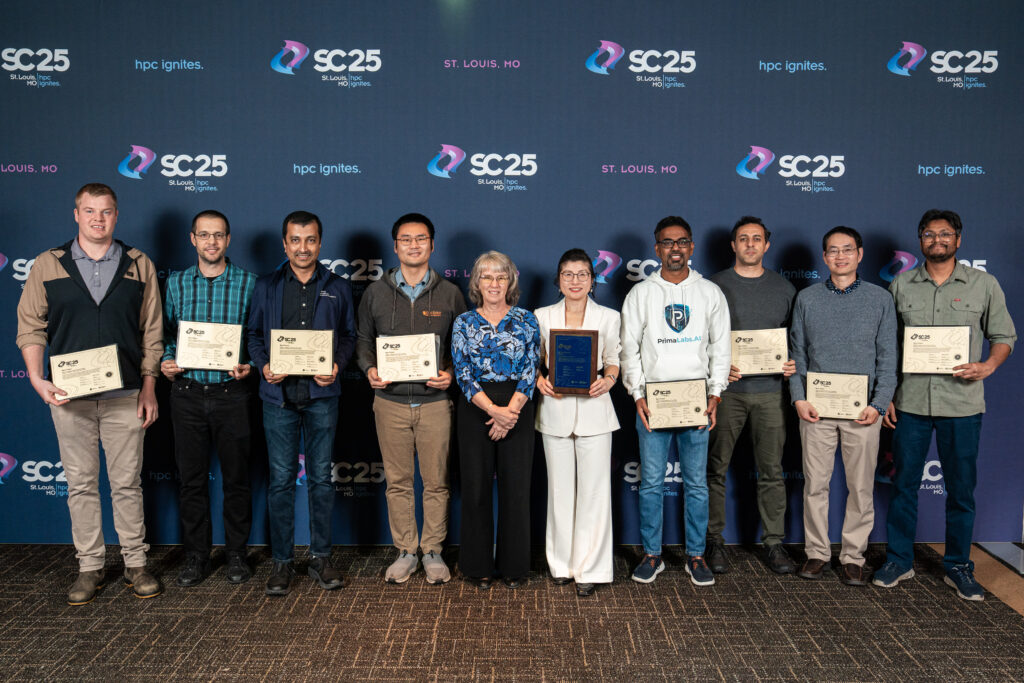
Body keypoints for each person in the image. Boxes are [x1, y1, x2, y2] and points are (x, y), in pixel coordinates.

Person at [16, 183, 163, 604]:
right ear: (76, 214)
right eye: (90, 211)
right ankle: (90, 567)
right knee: (80, 483)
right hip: (68, 395)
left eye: (107, 211)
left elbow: (152, 330)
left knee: (126, 484)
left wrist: (149, 386)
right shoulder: (48, 264)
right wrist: (34, 377)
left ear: (117, 216)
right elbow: (30, 326)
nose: (98, 219)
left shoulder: (138, 264)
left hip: (126, 394)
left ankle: (136, 563)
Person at [874, 209, 1015, 601]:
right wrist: (886, 395)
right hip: (911, 404)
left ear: (958, 240)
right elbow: (889, 347)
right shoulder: (901, 286)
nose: (937, 240)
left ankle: (957, 566)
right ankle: (899, 560)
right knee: (903, 485)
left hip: (963, 405)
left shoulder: (984, 284)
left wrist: (988, 364)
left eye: (945, 234)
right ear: (920, 240)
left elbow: (1004, 335)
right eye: (930, 234)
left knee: (961, 490)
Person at [247, 210, 356, 596]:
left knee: (322, 480)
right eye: (295, 240)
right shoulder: (266, 285)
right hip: (278, 397)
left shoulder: (338, 287)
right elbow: (255, 337)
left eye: (310, 240)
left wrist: (338, 365)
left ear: (320, 243)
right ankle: (281, 562)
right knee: (279, 482)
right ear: (285, 243)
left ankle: (321, 557)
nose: (303, 247)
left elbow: (348, 337)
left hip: (322, 396)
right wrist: (263, 366)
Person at [355, 213, 466, 585]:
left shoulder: (450, 293)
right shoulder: (375, 292)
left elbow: (462, 346)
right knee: (399, 482)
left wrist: (450, 373)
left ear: (433, 245)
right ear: (395, 246)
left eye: (421, 239)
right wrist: (369, 369)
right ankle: (406, 550)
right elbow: (362, 341)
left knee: (436, 482)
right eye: (406, 239)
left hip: (436, 404)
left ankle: (432, 550)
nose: (414, 245)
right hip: (390, 402)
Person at [620, 216, 730, 586]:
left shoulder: (709, 292)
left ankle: (695, 555)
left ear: (692, 247)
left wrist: (715, 393)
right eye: (668, 243)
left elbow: (721, 347)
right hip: (654, 402)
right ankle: (653, 554)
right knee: (651, 482)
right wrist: (637, 394)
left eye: (682, 242)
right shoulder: (641, 294)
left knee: (696, 484)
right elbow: (628, 350)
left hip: (696, 402)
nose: (675, 249)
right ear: (657, 249)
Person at [789, 226, 897, 586]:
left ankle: (853, 556)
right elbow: (797, 355)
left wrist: (880, 405)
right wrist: (798, 398)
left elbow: (887, 358)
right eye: (833, 251)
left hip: (862, 412)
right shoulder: (806, 298)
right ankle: (817, 553)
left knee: (861, 488)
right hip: (816, 411)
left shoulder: (880, 299)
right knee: (815, 486)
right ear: (824, 258)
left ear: (860, 254)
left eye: (847, 250)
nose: (840, 256)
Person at [161, 210, 257, 587]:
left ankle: (236, 553)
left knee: (236, 480)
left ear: (229, 239)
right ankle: (196, 556)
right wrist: (167, 359)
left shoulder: (249, 283)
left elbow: (255, 337)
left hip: (232, 393)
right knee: (192, 481)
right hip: (186, 393)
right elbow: (167, 333)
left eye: (218, 235)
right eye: (204, 235)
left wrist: (248, 362)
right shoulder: (177, 284)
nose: (212, 242)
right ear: (193, 239)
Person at [707, 217, 797, 575]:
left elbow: (798, 340)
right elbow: (699, 340)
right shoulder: (713, 287)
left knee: (772, 471)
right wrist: (716, 367)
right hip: (726, 394)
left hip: (771, 394)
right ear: (733, 245)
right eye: (742, 239)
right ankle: (713, 541)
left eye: (756, 239)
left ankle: (774, 542)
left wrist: (793, 363)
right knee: (714, 469)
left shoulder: (785, 289)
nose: (749, 245)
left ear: (766, 245)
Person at [535, 248, 621, 597]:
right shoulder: (540, 316)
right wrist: (538, 381)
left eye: (582, 274)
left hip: (596, 411)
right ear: (558, 279)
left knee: (595, 493)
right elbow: (534, 364)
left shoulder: (609, 317)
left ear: (593, 278)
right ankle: (560, 564)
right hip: (553, 411)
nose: (575, 280)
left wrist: (610, 380)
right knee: (559, 491)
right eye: (568, 274)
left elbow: (614, 360)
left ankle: (591, 568)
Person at [451, 251, 540, 590]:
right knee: (475, 489)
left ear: (510, 282)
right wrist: (493, 411)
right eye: (486, 277)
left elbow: (531, 369)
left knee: (516, 490)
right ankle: (477, 567)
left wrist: (510, 412)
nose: (494, 283)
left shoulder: (526, 320)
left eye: (500, 276)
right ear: (476, 282)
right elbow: (462, 371)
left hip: (517, 405)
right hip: (477, 407)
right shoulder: (464, 323)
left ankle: (515, 567)